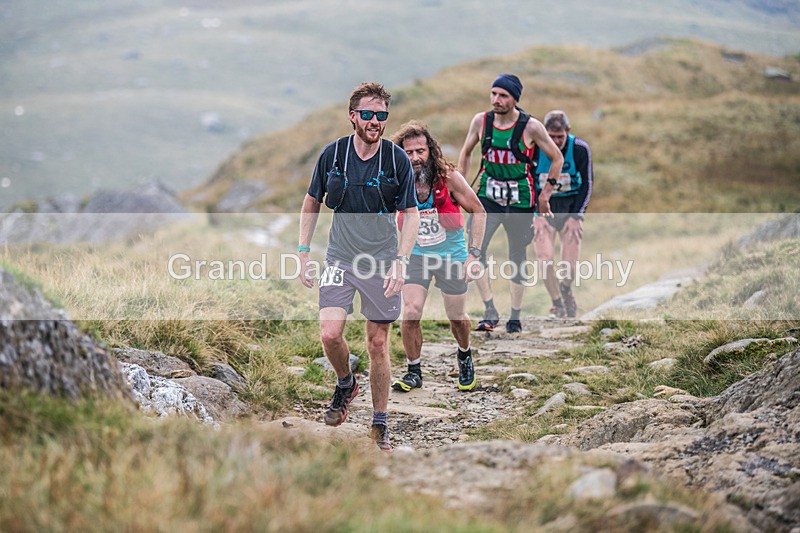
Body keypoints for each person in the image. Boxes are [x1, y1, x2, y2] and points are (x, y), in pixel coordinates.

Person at [298, 82, 420, 452]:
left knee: (378, 343)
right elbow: (311, 202)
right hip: (339, 257)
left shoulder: (396, 160)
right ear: (353, 116)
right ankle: (346, 382)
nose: (375, 122)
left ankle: (380, 423)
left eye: (382, 116)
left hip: (381, 261)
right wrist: (303, 252)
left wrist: (401, 262)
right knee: (330, 334)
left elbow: (411, 213)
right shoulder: (333, 155)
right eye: (368, 115)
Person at [457, 74, 563, 333]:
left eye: (503, 95)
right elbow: (466, 152)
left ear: (515, 99)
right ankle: (490, 310)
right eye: (493, 93)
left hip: (520, 201)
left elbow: (556, 158)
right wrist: (461, 189)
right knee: (476, 250)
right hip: (487, 199)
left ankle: (515, 316)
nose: (496, 100)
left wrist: (545, 194)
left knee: (518, 256)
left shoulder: (531, 127)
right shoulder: (481, 121)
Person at [390, 121, 487, 393]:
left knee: (456, 316)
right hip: (416, 254)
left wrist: (474, 254)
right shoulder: (397, 179)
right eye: (408, 153)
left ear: (430, 151)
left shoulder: (449, 177)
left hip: (451, 254)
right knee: (410, 312)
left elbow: (479, 211)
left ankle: (465, 353)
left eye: (420, 151)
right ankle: (413, 371)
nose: (415, 158)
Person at [532, 110, 593, 318]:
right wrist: (535, 213)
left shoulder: (579, 149)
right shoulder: (534, 150)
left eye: (560, 137)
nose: (556, 141)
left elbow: (587, 184)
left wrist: (577, 216)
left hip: (569, 209)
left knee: (571, 266)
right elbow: (528, 184)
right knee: (544, 259)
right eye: (551, 136)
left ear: (568, 131)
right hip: (543, 210)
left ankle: (566, 289)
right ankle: (557, 303)